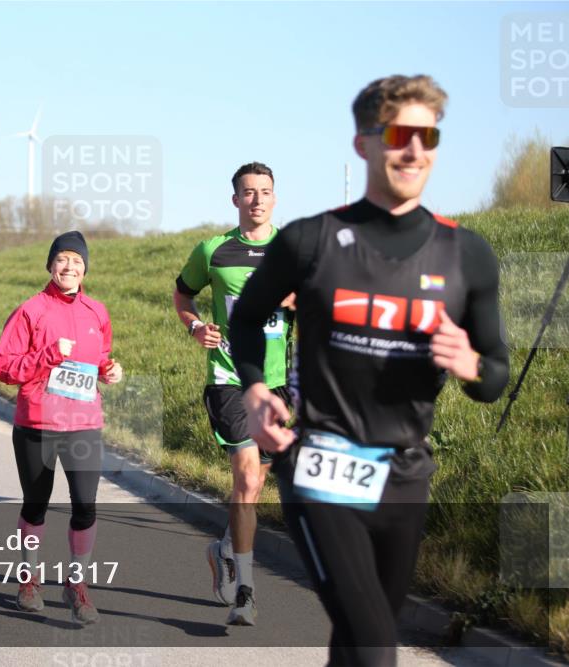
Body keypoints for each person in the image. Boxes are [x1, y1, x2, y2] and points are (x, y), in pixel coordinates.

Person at [230, 75, 509, 666]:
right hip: (321, 466)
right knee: (377, 643)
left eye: (427, 135)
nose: (415, 149)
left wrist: (472, 364)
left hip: (404, 476)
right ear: (364, 144)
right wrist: (255, 387)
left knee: (358, 642)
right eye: (399, 134)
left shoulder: (467, 255)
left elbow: (496, 379)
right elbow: (247, 318)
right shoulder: (312, 241)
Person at [173, 161, 293, 626]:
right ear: (235, 200)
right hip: (227, 379)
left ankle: (224, 549)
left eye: (265, 191)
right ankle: (246, 591)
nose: (257, 199)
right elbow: (183, 297)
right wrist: (196, 326)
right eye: (248, 192)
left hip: (277, 383)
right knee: (245, 477)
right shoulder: (214, 251)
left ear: (275, 198)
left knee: (256, 484)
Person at [0, 231, 123, 625]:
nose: (69, 268)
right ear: (51, 265)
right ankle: (29, 580)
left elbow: (100, 356)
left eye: (77, 262)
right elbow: (5, 368)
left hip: (83, 423)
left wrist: (109, 370)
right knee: (36, 505)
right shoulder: (31, 310)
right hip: (37, 423)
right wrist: (48, 355)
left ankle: (76, 584)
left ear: (85, 269)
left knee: (86, 505)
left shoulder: (96, 312)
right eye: (63, 260)